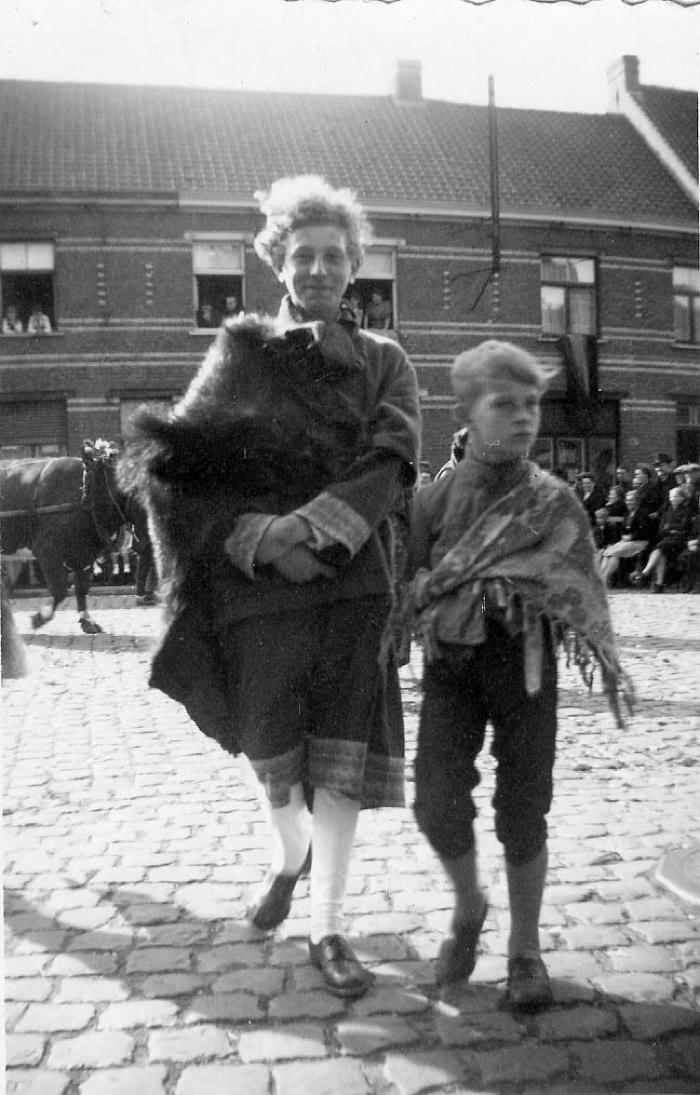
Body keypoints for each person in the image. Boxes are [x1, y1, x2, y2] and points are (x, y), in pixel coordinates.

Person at [119, 175, 421, 999]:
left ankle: (327, 926)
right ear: (277, 263)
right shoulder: (236, 357)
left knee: (340, 765)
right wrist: (259, 539)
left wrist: (311, 530)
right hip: (258, 597)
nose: (319, 267)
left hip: (353, 590)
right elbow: (175, 470)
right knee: (269, 759)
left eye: (335, 254)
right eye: (304, 254)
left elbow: (390, 460)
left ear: (355, 265)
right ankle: (290, 856)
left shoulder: (386, 362)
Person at [405, 340, 631, 1011]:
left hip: (524, 668)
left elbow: (578, 584)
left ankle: (524, 949)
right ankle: (470, 905)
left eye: (533, 404)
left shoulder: (555, 501)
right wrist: (440, 591)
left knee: (523, 808)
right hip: (451, 666)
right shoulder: (434, 501)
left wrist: (519, 585)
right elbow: (411, 584)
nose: (526, 417)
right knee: (435, 799)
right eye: (507, 404)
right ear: (467, 411)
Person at [632, 485, 694, 592]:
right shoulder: (667, 512)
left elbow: (684, 527)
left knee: (660, 547)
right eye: (671, 497)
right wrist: (671, 529)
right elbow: (661, 529)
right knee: (661, 553)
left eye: (675, 497)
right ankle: (659, 584)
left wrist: (669, 527)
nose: (672, 499)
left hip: (680, 540)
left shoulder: (686, 511)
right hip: (667, 540)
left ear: (681, 498)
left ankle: (645, 572)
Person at [599, 489, 655, 587]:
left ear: (637, 500)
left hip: (640, 542)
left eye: (631, 500)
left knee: (614, 553)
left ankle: (605, 578)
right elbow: (623, 530)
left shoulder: (643, 514)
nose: (629, 502)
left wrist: (630, 537)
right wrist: (625, 537)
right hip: (626, 542)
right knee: (607, 552)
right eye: (627, 500)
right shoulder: (627, 515)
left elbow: (644, 532)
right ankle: (601, 577)